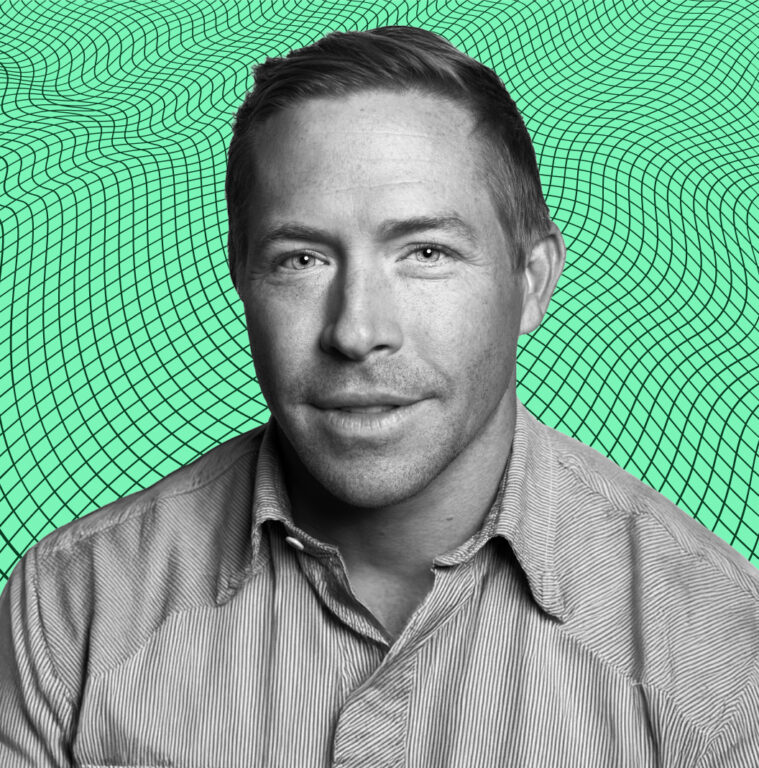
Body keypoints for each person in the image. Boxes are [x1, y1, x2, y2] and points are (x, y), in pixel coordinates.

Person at [1, 25, 757, 768]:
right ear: (241, 278)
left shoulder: (717, 645)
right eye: (301, 259)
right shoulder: (72, 607)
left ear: (531, 282)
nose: (356, 331)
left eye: (425, 252)